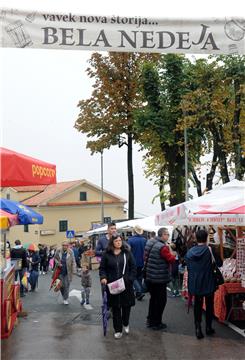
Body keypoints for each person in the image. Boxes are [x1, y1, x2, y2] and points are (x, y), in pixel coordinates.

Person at [185, 229, 223, 339]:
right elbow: (219, 264)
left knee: (197, 305)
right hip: (208, 281)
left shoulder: (190, 251)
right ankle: (208, 327)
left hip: (195, 282)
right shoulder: (210, 250)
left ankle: (198, 329)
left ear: (196, 238)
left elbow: (188, 266)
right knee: (209, 305)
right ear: (206, 238)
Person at [99, 234, 136, 339]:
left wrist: (130, 279)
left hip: (126, 285)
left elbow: (133, 267)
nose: (118, 242)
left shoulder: (127, 253)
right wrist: (103, 277)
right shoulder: (106, 254)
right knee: (115, 308)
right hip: (112, 285)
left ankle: (125, 322)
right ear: (112, 242)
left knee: (126, 307)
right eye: (116, 241)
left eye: (120, 240)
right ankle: (118, 330)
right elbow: (102, 269)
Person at [144, 227, 176, 331]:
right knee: (161, 301)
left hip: (150, 276)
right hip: (159, 278)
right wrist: (173, 254)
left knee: (153, 299)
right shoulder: (163, 247)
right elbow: (171, 259)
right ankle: (156, 322)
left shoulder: (150, 242)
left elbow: (145, 257)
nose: (168, 236)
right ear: (162, 235)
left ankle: (150, 319)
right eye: (167, 234)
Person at [127, 225, 147, 300]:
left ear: (134, 232)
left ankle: (139, 291)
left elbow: (128, 252)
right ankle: (139, 293)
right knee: (139, 277)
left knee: (133, 277)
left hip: (133, 262)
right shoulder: (144, 240)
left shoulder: (130, 240)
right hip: (142, 262)